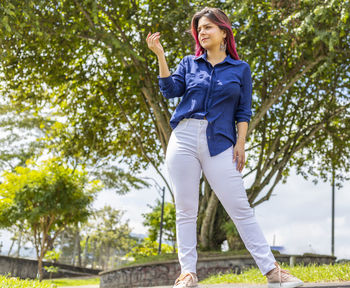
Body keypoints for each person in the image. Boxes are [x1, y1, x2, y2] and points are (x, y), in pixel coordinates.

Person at [146, 6, 304, 288]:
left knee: (240, 207)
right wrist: (160, 55)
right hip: (183, 138)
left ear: (223, 31)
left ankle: (273, 273)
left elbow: (243, 110)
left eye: (208, 27)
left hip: (219, 142)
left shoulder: (240, 69)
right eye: (199, 29)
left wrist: (241, 144)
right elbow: (170, 90)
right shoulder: (189, 63)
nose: (202, 32)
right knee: (185, 209)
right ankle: (188, 274)